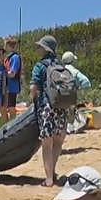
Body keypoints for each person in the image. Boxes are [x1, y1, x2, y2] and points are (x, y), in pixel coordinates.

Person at [32, 35, 72, 187]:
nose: (38, 49)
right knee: (57, 143)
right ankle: (53, 172)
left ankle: (49, 179)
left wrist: (34, 102)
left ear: (45, 49)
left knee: (46, 144)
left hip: (47, 107)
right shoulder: (60, 65)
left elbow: (34, 88)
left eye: (40, 47)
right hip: (61, 107)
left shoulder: (40, 66)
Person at [3, 38, 22, 121]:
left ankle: (13, 123)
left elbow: (12, 73)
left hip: (12, 87)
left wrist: (3, 74)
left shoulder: (15, 58)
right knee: (5, 106)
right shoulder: (8, 58)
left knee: (11, 107)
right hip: (7, 87)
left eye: (5, 45)